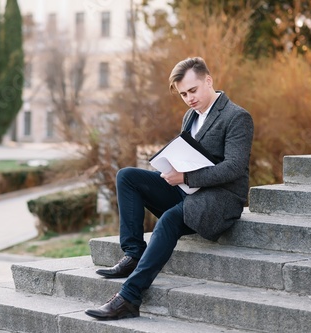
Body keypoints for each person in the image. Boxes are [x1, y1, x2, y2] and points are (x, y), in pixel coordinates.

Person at [85, 57, 254, 320]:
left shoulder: (237, 117)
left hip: (220, 200)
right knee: (127, 176)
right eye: (183, 94)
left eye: (193, 90)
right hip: (187, 189)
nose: (188, 98)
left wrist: (186, 176)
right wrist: (170, 169)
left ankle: (128, 298)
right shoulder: (190, 116)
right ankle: (133, 253)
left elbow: (234, 167)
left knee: (168, 220)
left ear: (208, 81)